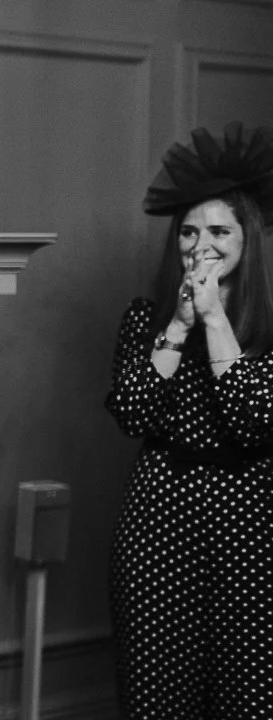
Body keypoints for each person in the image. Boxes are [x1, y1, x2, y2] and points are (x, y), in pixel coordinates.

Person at [106, 122, 273, 719]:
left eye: (220, 230)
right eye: (189, 231)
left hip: (250, 531)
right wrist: (177, 326)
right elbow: (131, 413)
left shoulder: (266, 329)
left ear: (248, 240)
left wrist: (216, 321)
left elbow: (255, 419)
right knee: (157, 700)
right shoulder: (144, 320)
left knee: (250, 699)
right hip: (158, 527)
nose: (203, 243)